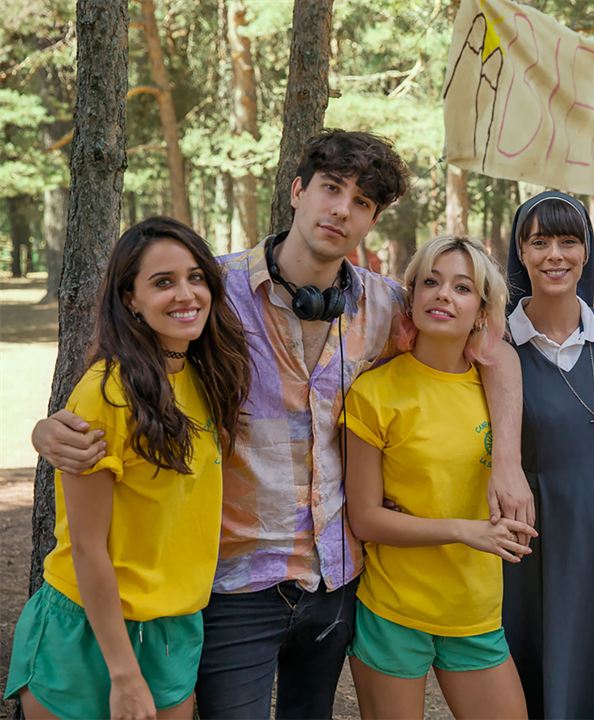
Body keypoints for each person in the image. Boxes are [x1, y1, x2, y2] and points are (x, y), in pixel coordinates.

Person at [31, 130, 534, 718]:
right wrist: (49, 431)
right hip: (236, 582)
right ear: (298, 191)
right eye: (331, 188)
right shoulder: (212, 289)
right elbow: (127, 360)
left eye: (363, 201)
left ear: (371, 219)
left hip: (337, 579)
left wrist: (507, 463)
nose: (342, 208)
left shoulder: (390, 306)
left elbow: (494, 353)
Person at [6, 217, 250, 719]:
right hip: (89, 629)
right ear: (130, 300)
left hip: (172, 627)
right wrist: (124, 673)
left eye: (195, 277)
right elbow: (88, 547)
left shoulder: (204, 380)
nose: (186, 294)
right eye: (163, 282)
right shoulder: (107, 394)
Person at [342, 236, 534, 719]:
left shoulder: (496, 388)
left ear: (483, 310)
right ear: (412, 298)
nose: (443, 294)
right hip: (393, 611)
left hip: (475, 612)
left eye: (462, 287)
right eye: (431, 282)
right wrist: (466, 531)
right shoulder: (374, 391)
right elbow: (364, 519)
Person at [499, 191, 594, 719]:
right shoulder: (496, 339)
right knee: (530, 651)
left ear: (586, 252)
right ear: (520, 250)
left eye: (568, 241)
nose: (554, 255)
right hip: (527, 523)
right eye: (540, 242)